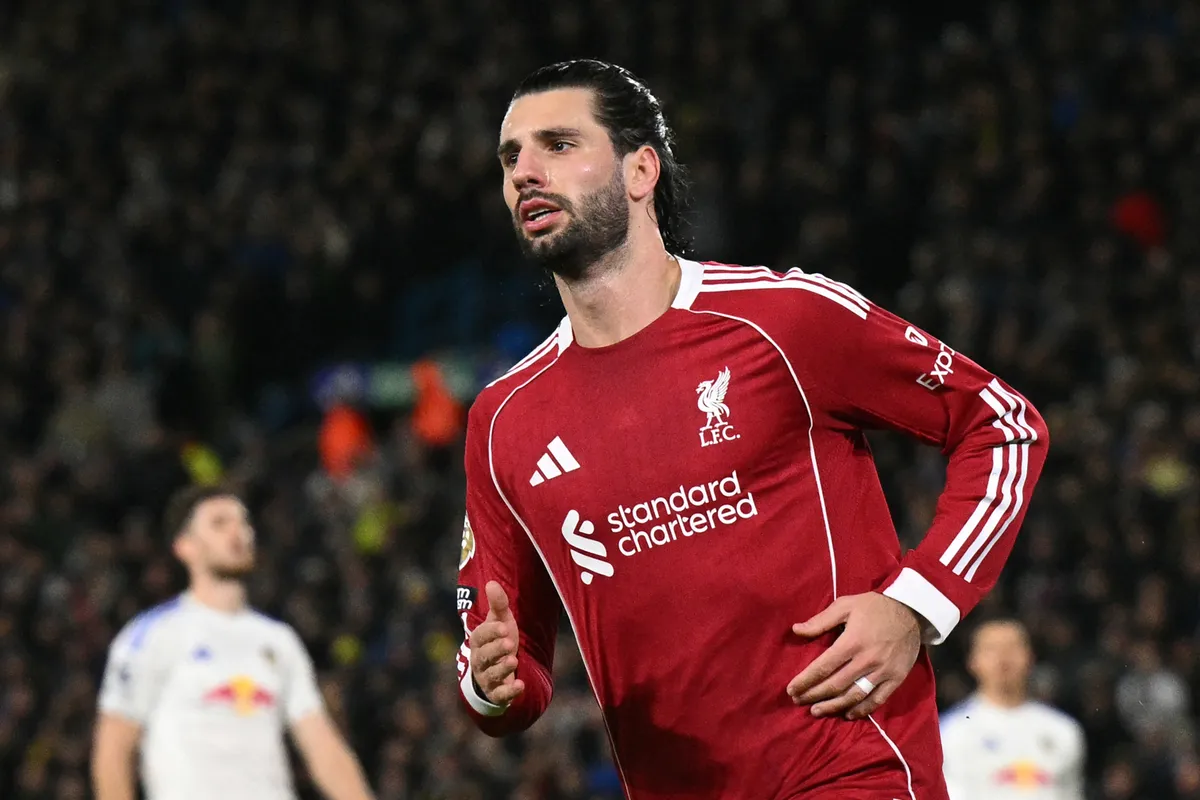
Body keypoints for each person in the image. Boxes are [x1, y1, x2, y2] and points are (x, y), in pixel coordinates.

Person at [455, 59, 1050, 800]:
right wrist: (491, 682)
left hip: (848, 766)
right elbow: (511, 674)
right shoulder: (502, 420)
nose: (525, 172)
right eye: (511, 156)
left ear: (641, 170)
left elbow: (1003, 424)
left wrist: (916, 602)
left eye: (559, 145)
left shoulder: (785, 319)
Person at [91, 485, 375, 800]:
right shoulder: (151, 635)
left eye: (243, 522)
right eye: (219, 523)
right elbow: (113, 750)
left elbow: (324, 750)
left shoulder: (279, 641)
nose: (238, 532)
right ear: (185, 547)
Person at [940, 619, 1085, 799]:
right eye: (991, 649)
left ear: (1030, 656)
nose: (1003, 658)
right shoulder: (949, 732)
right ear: (972, 661)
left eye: (1012, 647)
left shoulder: (1063, 730)